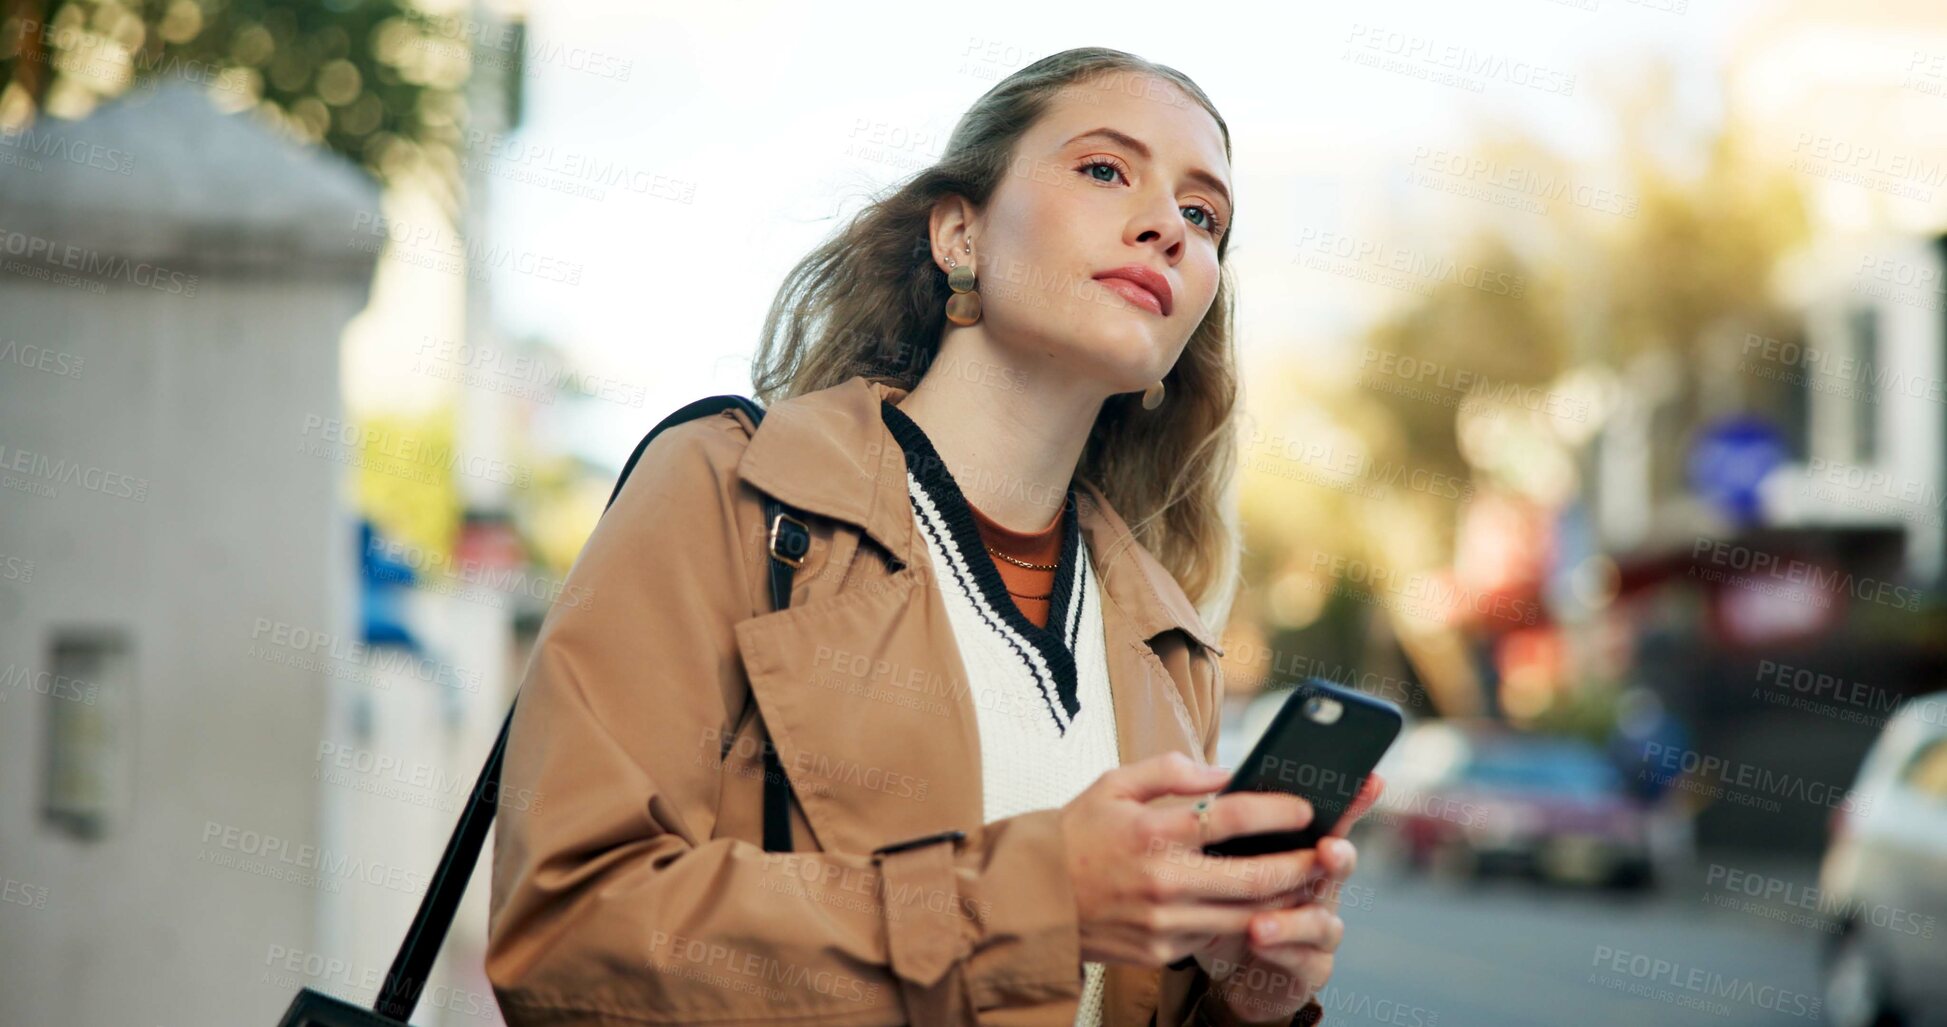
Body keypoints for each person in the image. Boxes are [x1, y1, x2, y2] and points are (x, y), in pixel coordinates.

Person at [485, 46, 1384, 1027]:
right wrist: (1033, 902)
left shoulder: (1171, 649)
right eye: (1103, 169)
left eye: (1205, 216)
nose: (1169, 224)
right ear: (960, 233)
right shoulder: (728, 491)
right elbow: (566, 940)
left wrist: (1251, 998)